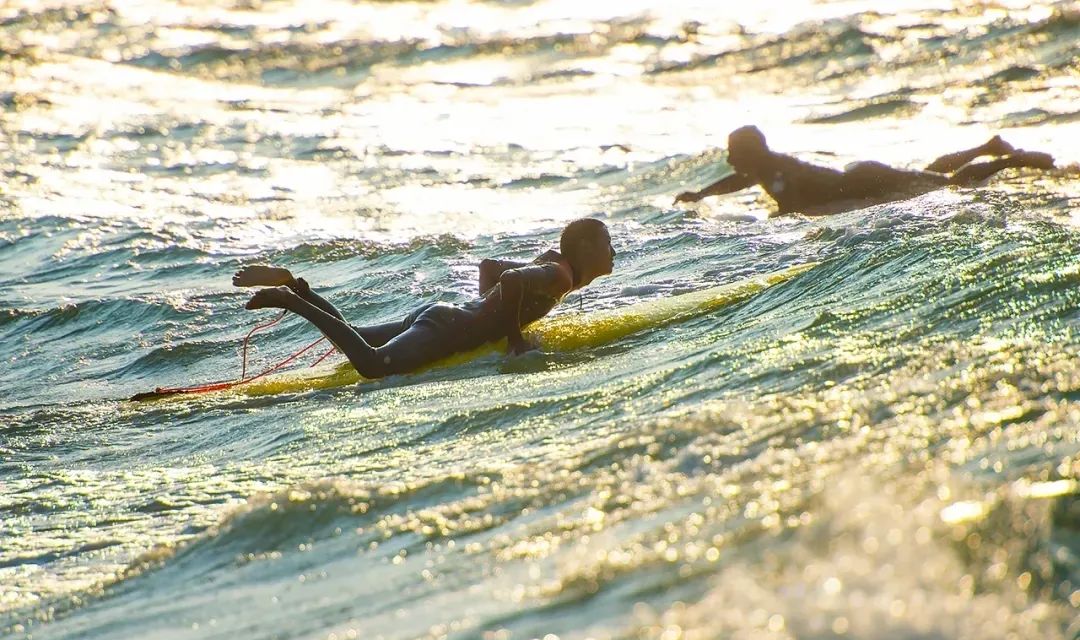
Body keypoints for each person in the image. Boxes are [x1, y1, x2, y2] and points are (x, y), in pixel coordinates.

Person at [233, 218, 615, 379]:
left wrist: (489, 313)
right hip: (447, 328)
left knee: (354, 336)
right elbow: (511, 279)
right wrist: (512, 337)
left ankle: (300, 288)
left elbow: (489, 267)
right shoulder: (560, 275)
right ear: (583, 247)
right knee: (370, 366)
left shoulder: (555, 265)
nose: (613, 252)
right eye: (607, 243)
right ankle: (290, 299)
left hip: (446, 317)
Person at [674, 126, 1055, 215]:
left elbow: (794, 201)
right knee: (926, 175)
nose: (728, 160)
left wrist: (783, 215)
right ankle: (988, 147)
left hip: (864, 180)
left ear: (750, 152)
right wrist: (702, 195)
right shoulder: (762, 168)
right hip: (860, 176)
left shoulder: (774, 170)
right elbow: (736, 181)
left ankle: (1011, 160)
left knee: (946, 184)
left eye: (732, 153)